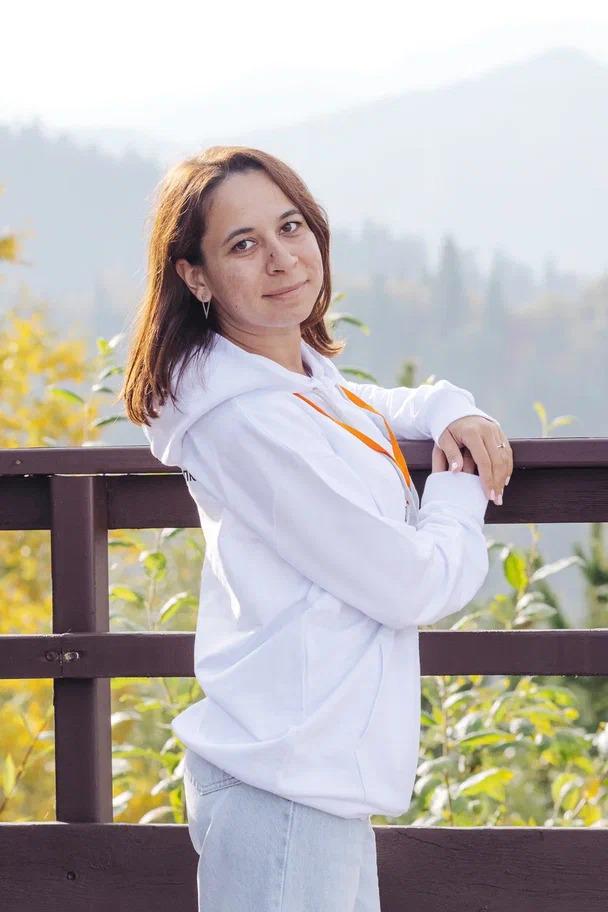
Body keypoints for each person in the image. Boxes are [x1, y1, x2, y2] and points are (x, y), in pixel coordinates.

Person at [120, 145, 512, 911]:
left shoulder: (291, 379)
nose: (282, 258)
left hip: (305, 781)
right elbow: (412, 585)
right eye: (243, 244)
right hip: (285, 791)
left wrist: (448, 408)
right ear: (195, 276)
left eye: (290, 227)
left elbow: (369, 407)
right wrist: (461, 487)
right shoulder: (246, 421)